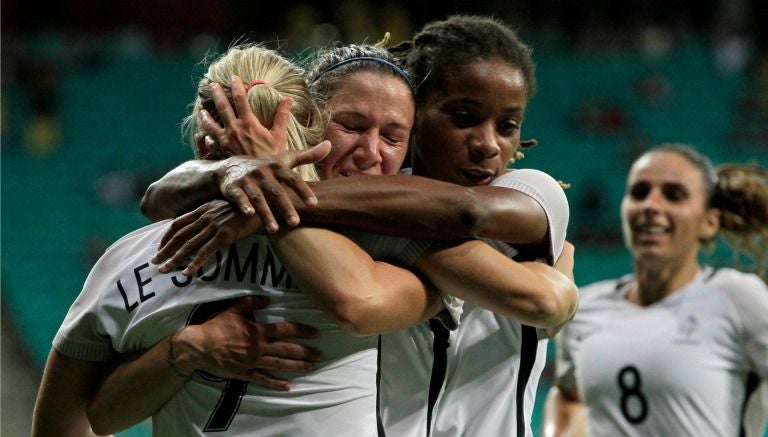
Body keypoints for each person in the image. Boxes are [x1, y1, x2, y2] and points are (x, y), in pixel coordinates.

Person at [145, 15, 578, 436]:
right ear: (417, 116)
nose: (487, 144)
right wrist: (232, 175)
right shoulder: (353, 212)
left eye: (508, 126)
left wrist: (266, 187)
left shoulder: (531, 190)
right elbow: (156, 199)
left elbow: (468, 215)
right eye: (462, 117)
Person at [31, 43, 447, 437]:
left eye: (392, 137)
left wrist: (183, 351)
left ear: (201, 148)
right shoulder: (394, 249)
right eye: (352, 126)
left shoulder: (134, 259)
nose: (370, 152)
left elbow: (87, 417)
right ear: (308, 132)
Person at [543, 144, 768, 437]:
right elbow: (569, 396)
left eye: (674, 195)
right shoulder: (585, 306)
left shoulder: (737, 297)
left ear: (709, 222)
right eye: (639, 192)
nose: (651, 205)